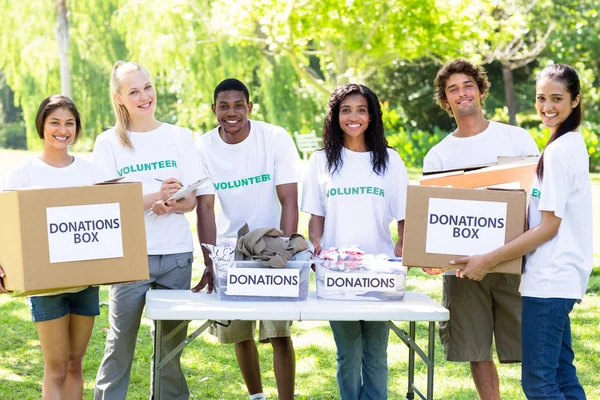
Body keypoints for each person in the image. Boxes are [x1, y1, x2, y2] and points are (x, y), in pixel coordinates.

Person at [453, 64, 591, 400]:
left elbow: (548, 227)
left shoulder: (559, 152)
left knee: (540, 384)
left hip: (549, 281)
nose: (547, 106)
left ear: (575, 101)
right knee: (562, 376)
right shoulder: (568, 144)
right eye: (541, 98)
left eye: (557, 98)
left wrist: (486, 259)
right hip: (560, 279)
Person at [93, 61, 215, 400]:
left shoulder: (178, 137)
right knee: (119, 346)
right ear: (119, 98)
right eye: (134, 91)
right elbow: (106, 203)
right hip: (131, 258)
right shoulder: (107, 143)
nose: (145, 96)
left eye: (147, 86)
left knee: (169, 350)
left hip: (176, 255)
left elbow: (191, 200)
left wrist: (172, 202)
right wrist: (152, 199)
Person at [422, 59, 540, 400]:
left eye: (468, 85)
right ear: (446, 100)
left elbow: (535, 198)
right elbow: (435, 216)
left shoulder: (515, 138)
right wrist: (431, 257)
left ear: (481, 89)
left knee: (530, 343)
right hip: (463, 267)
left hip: (513, 258)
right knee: (475, 348)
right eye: (453, 89)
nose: (462, 94)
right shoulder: (438, 155)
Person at [193, 78, 301, 400]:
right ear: (214, 110)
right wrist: (211, 262)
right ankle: (256, 397)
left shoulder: (275, 138)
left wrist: (286, 252)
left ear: (249, 107)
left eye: (239, 105)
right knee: (241, 334)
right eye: (224, 106)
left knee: (278, 333)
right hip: (231, 248)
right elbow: (206, 209)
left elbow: (290, 201)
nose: (232, 113)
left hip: (272, 246)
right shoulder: (202, 147)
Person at [301, 83, 408, 399]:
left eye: (362, 110)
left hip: (380, 270)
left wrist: (404, 245)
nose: (354, 116)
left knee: (375, 353)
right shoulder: (321, 160)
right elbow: (316, 215)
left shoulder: (390, 160)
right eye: (346, 110)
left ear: (372, 116)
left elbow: (404, 215)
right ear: (335, 117)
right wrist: (316, 244)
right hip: (336, 273)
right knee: (348, 353)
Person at [1, 94, 106, 399]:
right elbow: (5, 224)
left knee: (75, 365)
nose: (63, 130)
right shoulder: (23, 174)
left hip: (85, 282)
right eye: (55, 123)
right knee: (56, 368)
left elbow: (110, 216)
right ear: (42, 126)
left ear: (77, 128)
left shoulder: (90, 172)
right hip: (45, 287)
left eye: (69, 123)